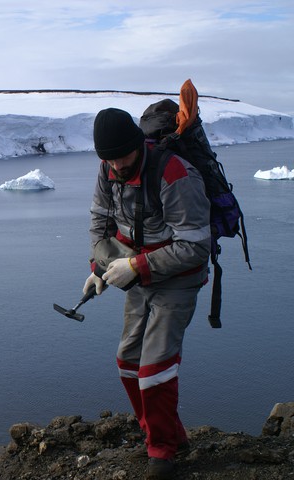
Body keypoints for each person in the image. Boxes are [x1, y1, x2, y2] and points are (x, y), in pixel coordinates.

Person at [84, 108, 211, 479]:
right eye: (108, 158)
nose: (116, 165)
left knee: (154, 366)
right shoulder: (109, 166)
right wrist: (99, 269)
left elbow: (195, 247)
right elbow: (100, 222)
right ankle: (167, 433)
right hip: (135, 271)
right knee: (128, 360)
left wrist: (136, 267)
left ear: (139, 145)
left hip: (178, 277)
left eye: (122, 156)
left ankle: (162, 453)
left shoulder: (174, 174)